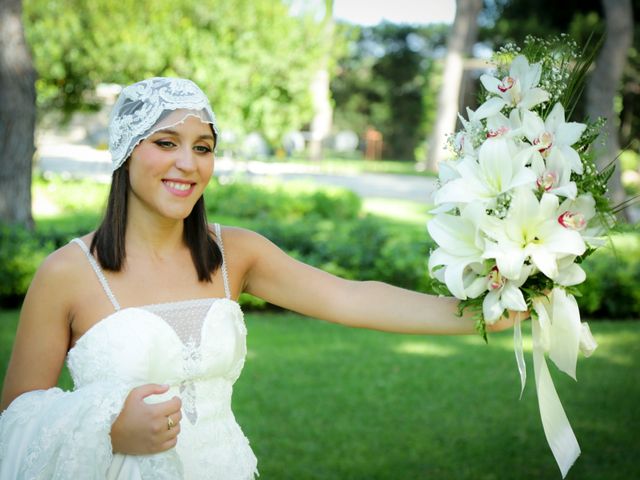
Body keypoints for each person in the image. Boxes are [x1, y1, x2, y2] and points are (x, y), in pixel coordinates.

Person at [0, 77, 517, 479]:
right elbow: (16, 418)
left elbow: (350, 298)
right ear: (126, 151)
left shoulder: (235, 253)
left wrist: (478, 314)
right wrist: (108, 428)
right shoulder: (67, 273)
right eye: (166, 142)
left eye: (203, 147)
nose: (187, 163)